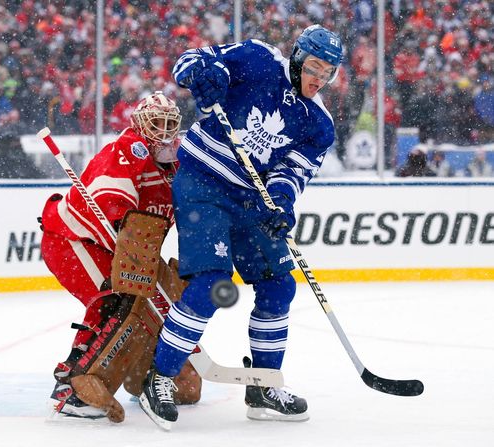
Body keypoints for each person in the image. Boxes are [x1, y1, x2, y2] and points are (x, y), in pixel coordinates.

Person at [138, 25, 344, 427]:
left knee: (279, 285)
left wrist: (282, 201)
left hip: (251, 200)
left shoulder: (319, 124)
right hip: (204, 183)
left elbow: (292, 171)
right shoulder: (258, 58)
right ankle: (160, 377)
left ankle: (263, 385)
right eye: (316, 66)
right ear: (299, 57)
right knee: (212, 284)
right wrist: (204, 76)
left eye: (329, 72)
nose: (320, 78)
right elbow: (189, 60)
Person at [39, 91, 196, 419]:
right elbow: (110, 197)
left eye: (171, 125)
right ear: (140, 124)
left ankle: (141, 373)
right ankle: (71, 384)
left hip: (118, 250)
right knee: (110, 299)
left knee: (145, 305)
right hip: (73, 240)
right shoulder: (129, 148)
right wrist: (120, 220)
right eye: (158, 124)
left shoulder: (175, 167)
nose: (165, 133)